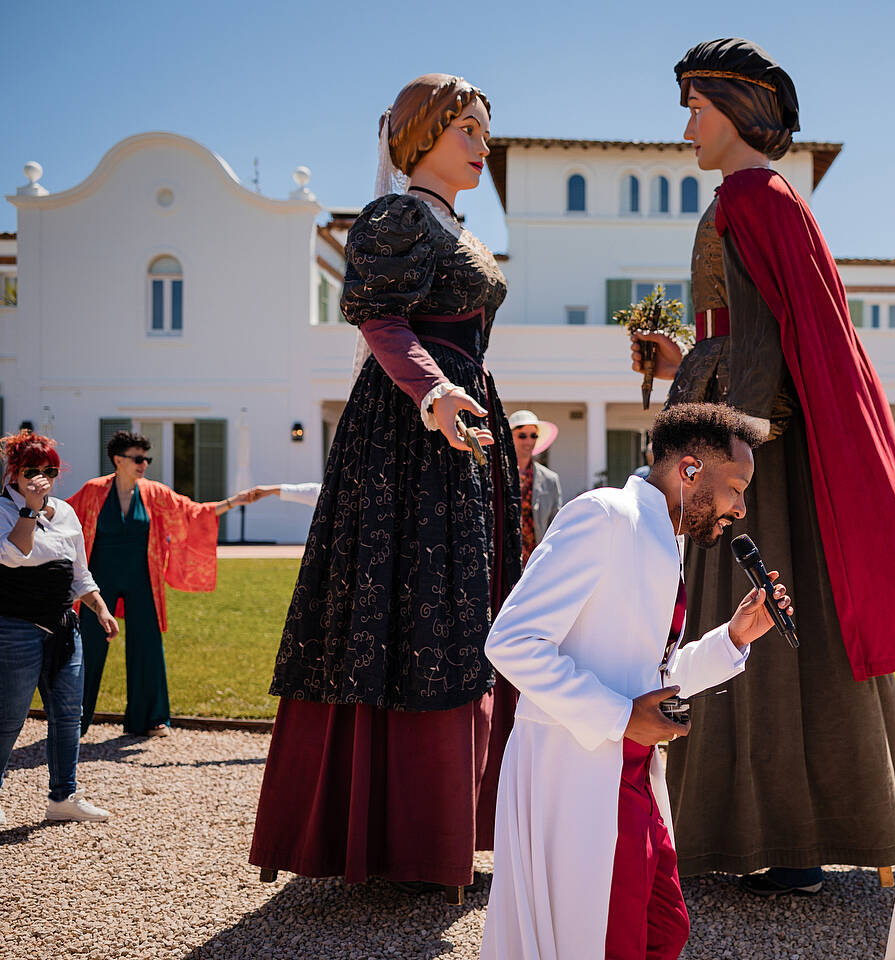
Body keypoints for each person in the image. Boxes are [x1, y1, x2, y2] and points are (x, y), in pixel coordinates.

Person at [629, 38, 895, 896]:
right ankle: (791, 836)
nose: (686, 124)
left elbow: (762, 353)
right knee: (775, 624)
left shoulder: (751, 198)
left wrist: (716, 436)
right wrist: (689, 357)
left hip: (754, 461)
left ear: (735, 109)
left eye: (695, 106)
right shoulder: (764, 199)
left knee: (749, 618)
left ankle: (775, 838)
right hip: (763, 449)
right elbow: (756, 340)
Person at [250, 73, 524, 898]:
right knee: (414, 610)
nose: (482, 146)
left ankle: (444, 836)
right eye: (466, 130)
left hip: (461, 426)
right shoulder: (397, 217)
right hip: (411, 432)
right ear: (418, 137)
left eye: (483, 130)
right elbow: (381, 320)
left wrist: (458, 401)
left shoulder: (453, 227)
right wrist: (433, 391)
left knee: (459, 613)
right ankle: (409, 843)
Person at [480, 403, 792, 960]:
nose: (741, 509)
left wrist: (734, 638)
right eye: (737, 488)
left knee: (662, 931)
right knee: (605, 941)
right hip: (577, 775)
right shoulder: (602, 516)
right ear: (691, 470)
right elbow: (511, 641)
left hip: (633, 779)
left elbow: (649, 676)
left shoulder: (662, 536)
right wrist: (623, 718)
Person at [68, 430, 253, 737]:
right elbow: (65, 515)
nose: (144, 464)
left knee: (147, 646)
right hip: (99, 582)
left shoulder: (154, 493)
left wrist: (234, 502)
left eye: (146, 458)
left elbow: (191, 512)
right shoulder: (94, 490)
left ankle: (150, 719)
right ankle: (73, 720)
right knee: (89, 647)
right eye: (138, 458)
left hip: (142, 579)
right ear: (118, 460)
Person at [0, 431, 120, 824]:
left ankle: (63, 797)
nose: (43, 477)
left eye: (50, 470)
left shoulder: (65, 512)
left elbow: (79, 571)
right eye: (33, 470)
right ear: (14, 472)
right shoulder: (4, 510)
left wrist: (100, 608)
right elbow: (15, 554)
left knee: (69, 713)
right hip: (15, 627)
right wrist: (30, 510)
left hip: (64, 627)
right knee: (9, 717)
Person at [507, 409, 561, 564]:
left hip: (536, 559)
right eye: (522, 435)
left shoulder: (550, 480)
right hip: (505, 557)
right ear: (510, 437)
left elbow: (555, 524)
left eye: (533, 435)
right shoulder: (497, 475)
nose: (529, 441)